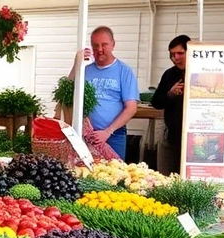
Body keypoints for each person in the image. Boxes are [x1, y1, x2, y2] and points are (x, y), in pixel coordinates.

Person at [68, 26, 140, 159]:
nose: (99, 49)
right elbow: (66, 91)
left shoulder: (124, 71)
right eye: (95, 45)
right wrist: (76, 64)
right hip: (86, 135)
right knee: (86, 175)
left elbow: (131, 108)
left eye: (104, 45)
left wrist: (108, 131)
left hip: (114, 135)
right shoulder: (86, 70)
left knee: (115, 175)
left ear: (113, 44)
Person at [151, 35, 191, 175]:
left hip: (194, 140)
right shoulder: (169, 74)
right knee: (165, 177)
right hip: (171, 137)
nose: (176, 58)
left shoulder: (201, 73)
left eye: (180, 53)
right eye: (172, 54)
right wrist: (170, 94)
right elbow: (156, 102)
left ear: (190, 51)